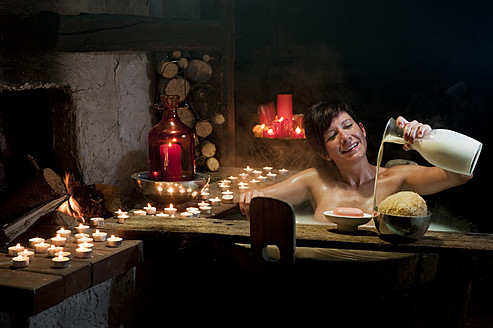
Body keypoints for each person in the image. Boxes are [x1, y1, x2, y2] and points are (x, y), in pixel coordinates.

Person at [238, 101, 472, 222]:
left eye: (348, 126)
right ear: (324, 153)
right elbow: (261, 197)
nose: (345, 137)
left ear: (362, 130)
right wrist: (250, 197)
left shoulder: (397, 178)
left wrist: (427, 139)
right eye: (332, 136)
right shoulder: (316, 180)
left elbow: (462, 174)